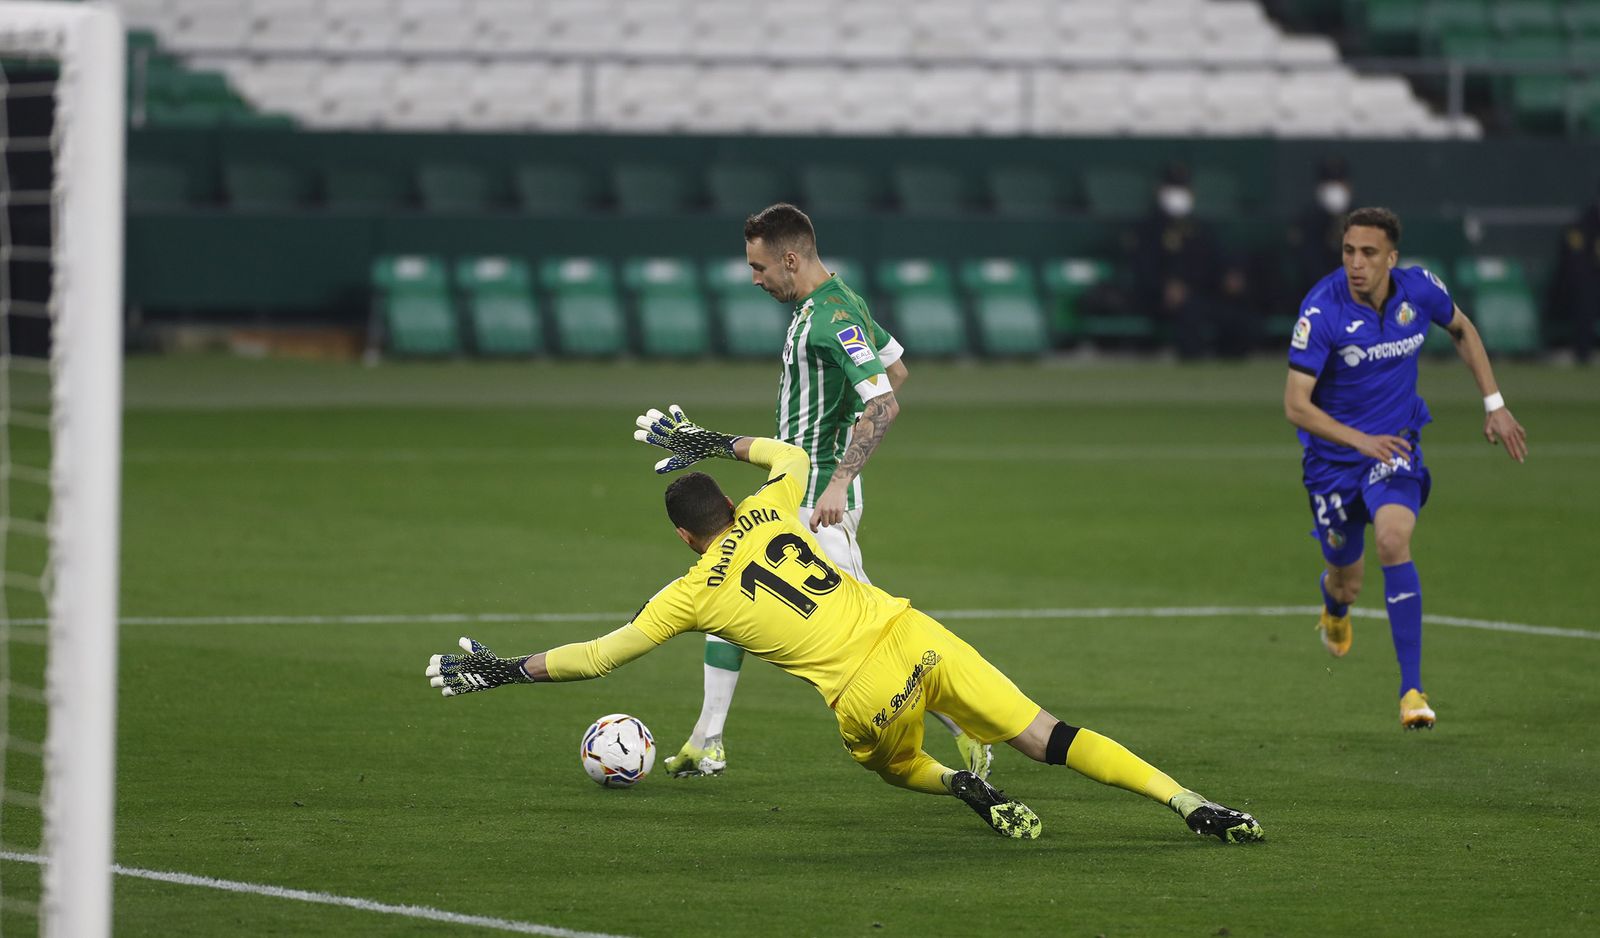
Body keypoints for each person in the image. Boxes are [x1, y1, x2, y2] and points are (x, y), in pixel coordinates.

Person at [424, 407, 1265, 844]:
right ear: (727, 502)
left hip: (867, 692)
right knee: (1045, 732)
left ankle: (959, 785)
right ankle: (1188, 800)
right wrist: (706, 438)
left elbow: (599, 657)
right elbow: (791, 455)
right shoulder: (772, 507)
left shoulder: (691, 593)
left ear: (686, 534)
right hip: (915, 633)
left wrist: (507, 669)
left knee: (899, 771)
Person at [663, 202, 992, 780]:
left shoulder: (832, 318)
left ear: (791, 258)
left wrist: (839, 477)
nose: (755, 279)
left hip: (817, 504)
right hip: (795, 489)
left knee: (875, 640)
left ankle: (969, 727)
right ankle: (706, 738)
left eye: (761, 268)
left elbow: (886, 400)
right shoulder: (837, 302)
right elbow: (896, 368)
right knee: (729, 599)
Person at [1284, 207, 1528, 730]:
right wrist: (1359, 441)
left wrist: (1495, 403)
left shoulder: (1420, 292)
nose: (1356, 263)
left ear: (1392, 258)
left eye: (1368, 253)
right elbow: (1296, 406)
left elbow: (1462, 329)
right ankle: (1335, 604)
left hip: (1394, 449)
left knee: (1394, 540)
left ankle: (1411, 690)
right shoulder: (1321, 311)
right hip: (1331, 463)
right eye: (1349, 251)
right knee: (1346, 578)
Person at [1125, 162, 1252, 359]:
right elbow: (1143, 268)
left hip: (1203, 293)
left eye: (1182, 188)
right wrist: (1163, 287)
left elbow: (1218, 259)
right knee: (1190, 313)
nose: (1178, 195)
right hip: (1163, 300)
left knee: (1236, 315)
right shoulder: (1148, 228)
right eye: (1173, 188)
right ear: (1160, 190)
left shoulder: (1200, 227)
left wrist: (1229, 275)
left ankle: (1232, 361)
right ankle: (1193, 361)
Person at [1549, 183, 1600, 364]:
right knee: (1586, 300)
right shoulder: (1586, 220)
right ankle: (1583, 352)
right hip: (1587, 280)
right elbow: (1576, 257)